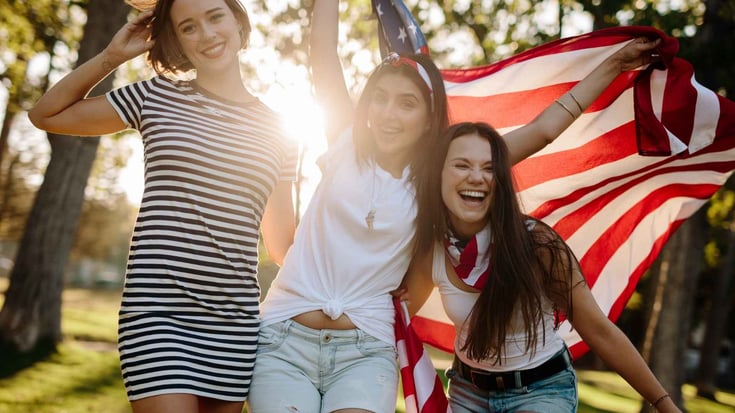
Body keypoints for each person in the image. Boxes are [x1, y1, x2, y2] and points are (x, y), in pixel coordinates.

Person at [245, 1, 661, 412]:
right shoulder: (342, 145)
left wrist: (614, 65)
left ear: (429, 117)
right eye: (380, 99)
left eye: (407, 103)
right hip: (285, 334)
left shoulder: (437, 177)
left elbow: (542, 131)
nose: (389, 113)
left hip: (363, 348)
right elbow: (323, 55)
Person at [27, 1, 298, 412]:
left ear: (239, 22)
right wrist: (111, 58)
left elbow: (283, 246)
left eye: (215, 16)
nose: (206, 34)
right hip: (158, 314)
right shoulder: (156, 96)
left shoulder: (281, 133)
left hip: (234, 324)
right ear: (177, 42)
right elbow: (45, 114)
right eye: (188, 27)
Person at [402, 121, 682, 413]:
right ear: (439, 175)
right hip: (468, 392)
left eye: (489, 168)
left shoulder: (536, 244)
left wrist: (664, 405)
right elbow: (394, 315)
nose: (476, 177)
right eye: (462, 165)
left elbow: (599, 331)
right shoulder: (432, 249)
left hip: (541, 391)